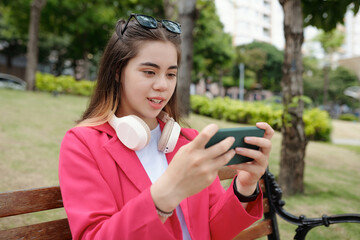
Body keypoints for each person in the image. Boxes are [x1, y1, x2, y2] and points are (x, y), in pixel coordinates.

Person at [59, 13, 275, 240]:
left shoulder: (189, 142)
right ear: (117, 72)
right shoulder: (83, 145)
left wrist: (245, 186)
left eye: (171, 74)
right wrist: (165, 195)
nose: (163, 85)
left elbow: (212, 232)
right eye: (149, 72)